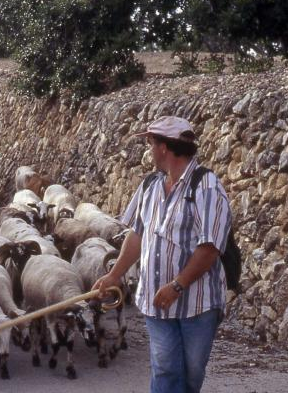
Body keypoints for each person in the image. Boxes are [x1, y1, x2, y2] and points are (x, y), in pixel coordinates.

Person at [93, 115, 232, 393]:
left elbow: (210, 247)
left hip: (197, 303)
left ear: (164, 148)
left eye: (151, 143)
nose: (149, 150)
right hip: (156, 300)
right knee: (166, 369)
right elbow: (137, 235)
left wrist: (178, 285)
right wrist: (114, 275)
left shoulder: (207, 186)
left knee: (192, 374)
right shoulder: (150, 185)